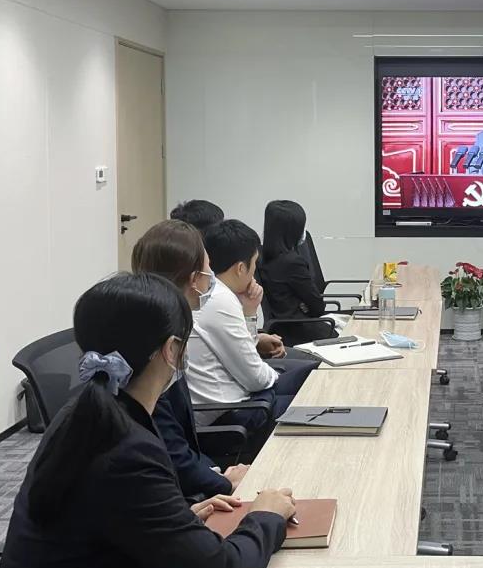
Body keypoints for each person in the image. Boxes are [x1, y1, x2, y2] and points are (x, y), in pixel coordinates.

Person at [0, 273, 296, 568]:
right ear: (171, 350)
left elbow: (106, 515)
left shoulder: (85, 414)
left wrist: (175, 519)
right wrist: (265, 516)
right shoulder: (125, 450)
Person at [131, 219, 248, 499]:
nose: (213, 277)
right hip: (171, 491)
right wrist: (224, 482)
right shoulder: (157, 347)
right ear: (194, 279)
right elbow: (174, 455)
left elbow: (179, 444)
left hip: (187, 473)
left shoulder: (159, 324)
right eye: (208, 269)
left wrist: (217, 472)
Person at [187, 219, 312, 432]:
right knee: (313, 388)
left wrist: (249, 314)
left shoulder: (216, 293)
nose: (254, 272)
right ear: (240, 268)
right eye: (254, 264)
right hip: (229, 414)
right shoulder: (221, 300)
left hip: (232, 398)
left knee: (311, 376)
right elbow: (256, 379)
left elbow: (244, 349)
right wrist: (276, 374)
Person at [258, 200, 337, 345]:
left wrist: (303, 303)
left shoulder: (263, 256)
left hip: (281, 328)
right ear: (292, 231)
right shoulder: (292, 262)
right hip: (299, 330)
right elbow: (317, 307)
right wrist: (304, 305)